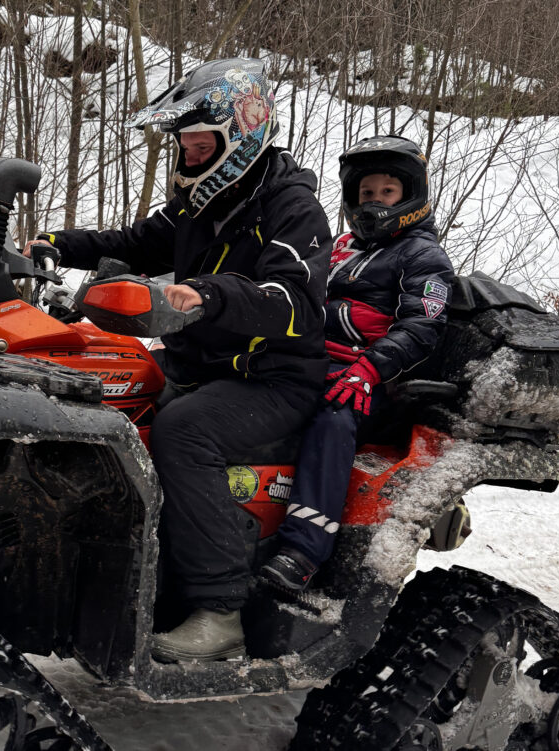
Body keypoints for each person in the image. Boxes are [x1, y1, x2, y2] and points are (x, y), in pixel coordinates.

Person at [25, 58, 332, 662]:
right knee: (100, 393)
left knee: (182, 430)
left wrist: (212, 295)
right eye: (186, 146)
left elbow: (293, 300)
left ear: (238, 135)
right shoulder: (200, 203)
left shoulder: (291, 208)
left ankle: (220, 611)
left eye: (200, 144)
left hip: (273, 379)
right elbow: (135, 242)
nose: (189, 156)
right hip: (202, 367)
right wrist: (62, 244)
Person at [259, 135, 456, 591]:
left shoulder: (423, 255)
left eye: (387, 192)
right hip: (309, 360)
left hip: (373, 381)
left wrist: (369, 369)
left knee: (332, 418)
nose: (374, 201)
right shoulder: (343, 245)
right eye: (366, 193)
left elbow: (424, 326)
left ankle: (303, 551)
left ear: (410, 195)